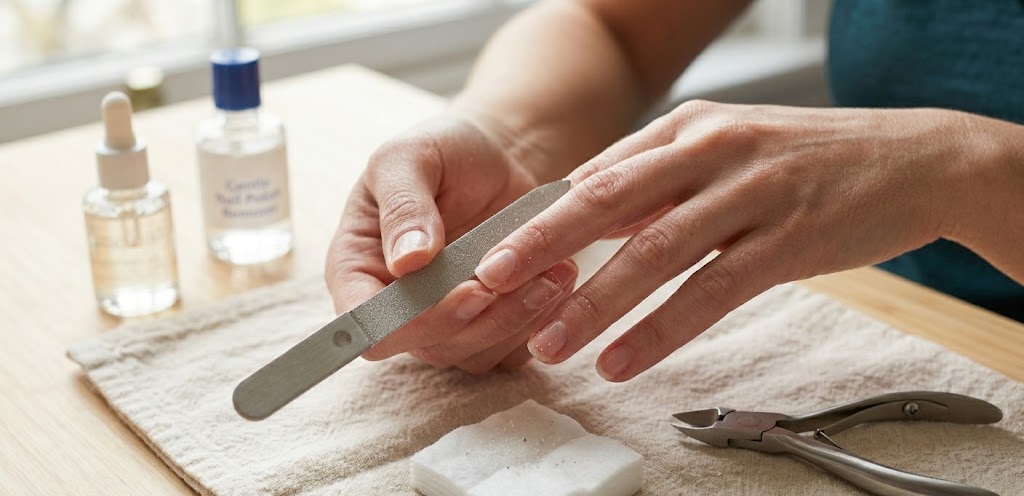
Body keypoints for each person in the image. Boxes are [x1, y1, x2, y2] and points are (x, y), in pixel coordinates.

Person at [325, 0, 1024, 382]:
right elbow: (608, 28)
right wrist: (509, 139)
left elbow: (962, 171)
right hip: (904, 326)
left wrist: (963, 168)